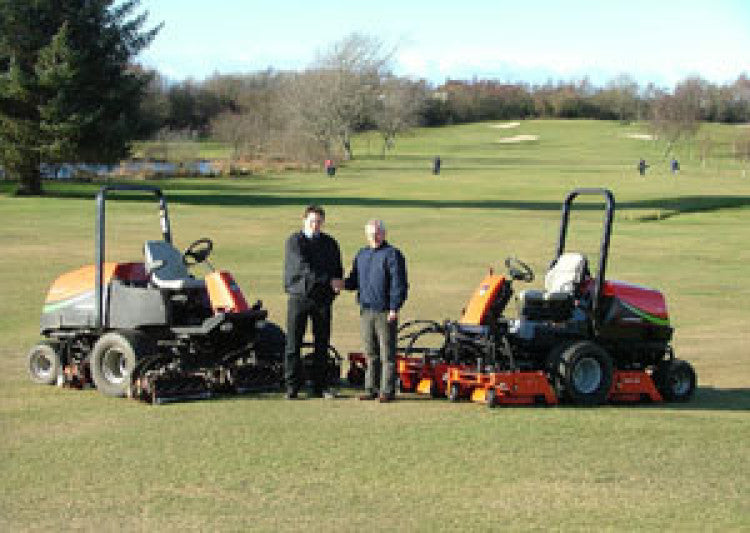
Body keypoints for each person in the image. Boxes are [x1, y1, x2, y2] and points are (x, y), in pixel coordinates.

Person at [343, 219, 408, 403]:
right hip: (366, 310)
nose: (374, 236)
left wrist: (394, 307)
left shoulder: (393, 255)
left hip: (385, 311)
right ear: (366, 235)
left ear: (384, 234)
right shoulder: (362, 254)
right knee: (370, 353)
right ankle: (370, 388)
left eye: (378, 233)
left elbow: (399, 284)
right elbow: (354, 280)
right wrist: (342, 284)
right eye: (371, 233)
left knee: (387, 354)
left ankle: (387, 391)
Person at [283, 205, 343, 399]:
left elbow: (337, 268)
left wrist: (335, 288)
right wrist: (328, 280)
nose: (315, 225)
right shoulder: (295, 242)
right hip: (299, 297)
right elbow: (303, 269)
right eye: (312, 221)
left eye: (319, 222)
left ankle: (320, 386)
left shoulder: (330, 243)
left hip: (323, 299)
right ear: (304, 220)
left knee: (322, 343)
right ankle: (292, 387)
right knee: (293, 343)